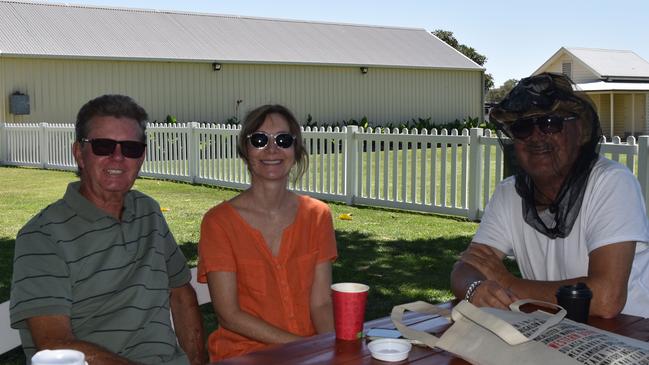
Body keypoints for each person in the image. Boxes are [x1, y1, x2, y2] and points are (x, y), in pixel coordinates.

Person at [10, 95, 207, 364]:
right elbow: (54, 342)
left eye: (131, 148)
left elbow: (182, 295)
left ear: (142, 157)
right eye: (103, 146)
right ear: (79, 153)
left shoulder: (149, 212)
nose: (118, 157)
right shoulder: (42, 236)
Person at [450, 72, 649, 318]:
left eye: (549, 123)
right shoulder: (508, 193)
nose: (535, 136)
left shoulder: (611, 182)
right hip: (559, 333)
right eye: (522, 127)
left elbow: (605, 299)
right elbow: (467, 266)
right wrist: (475, 289)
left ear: (581, 131)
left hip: (630, 336)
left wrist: (505, 282)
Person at [197, 104, 337, 361]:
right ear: (245, 149)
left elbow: (321, 303)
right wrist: (306, 347)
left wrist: (334, 349)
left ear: (295, 150)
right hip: (244, 355)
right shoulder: (218, 223)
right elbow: (229, 316)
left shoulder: (317, 216)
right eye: (260, 140)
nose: (272, 149)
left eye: (283, 140)